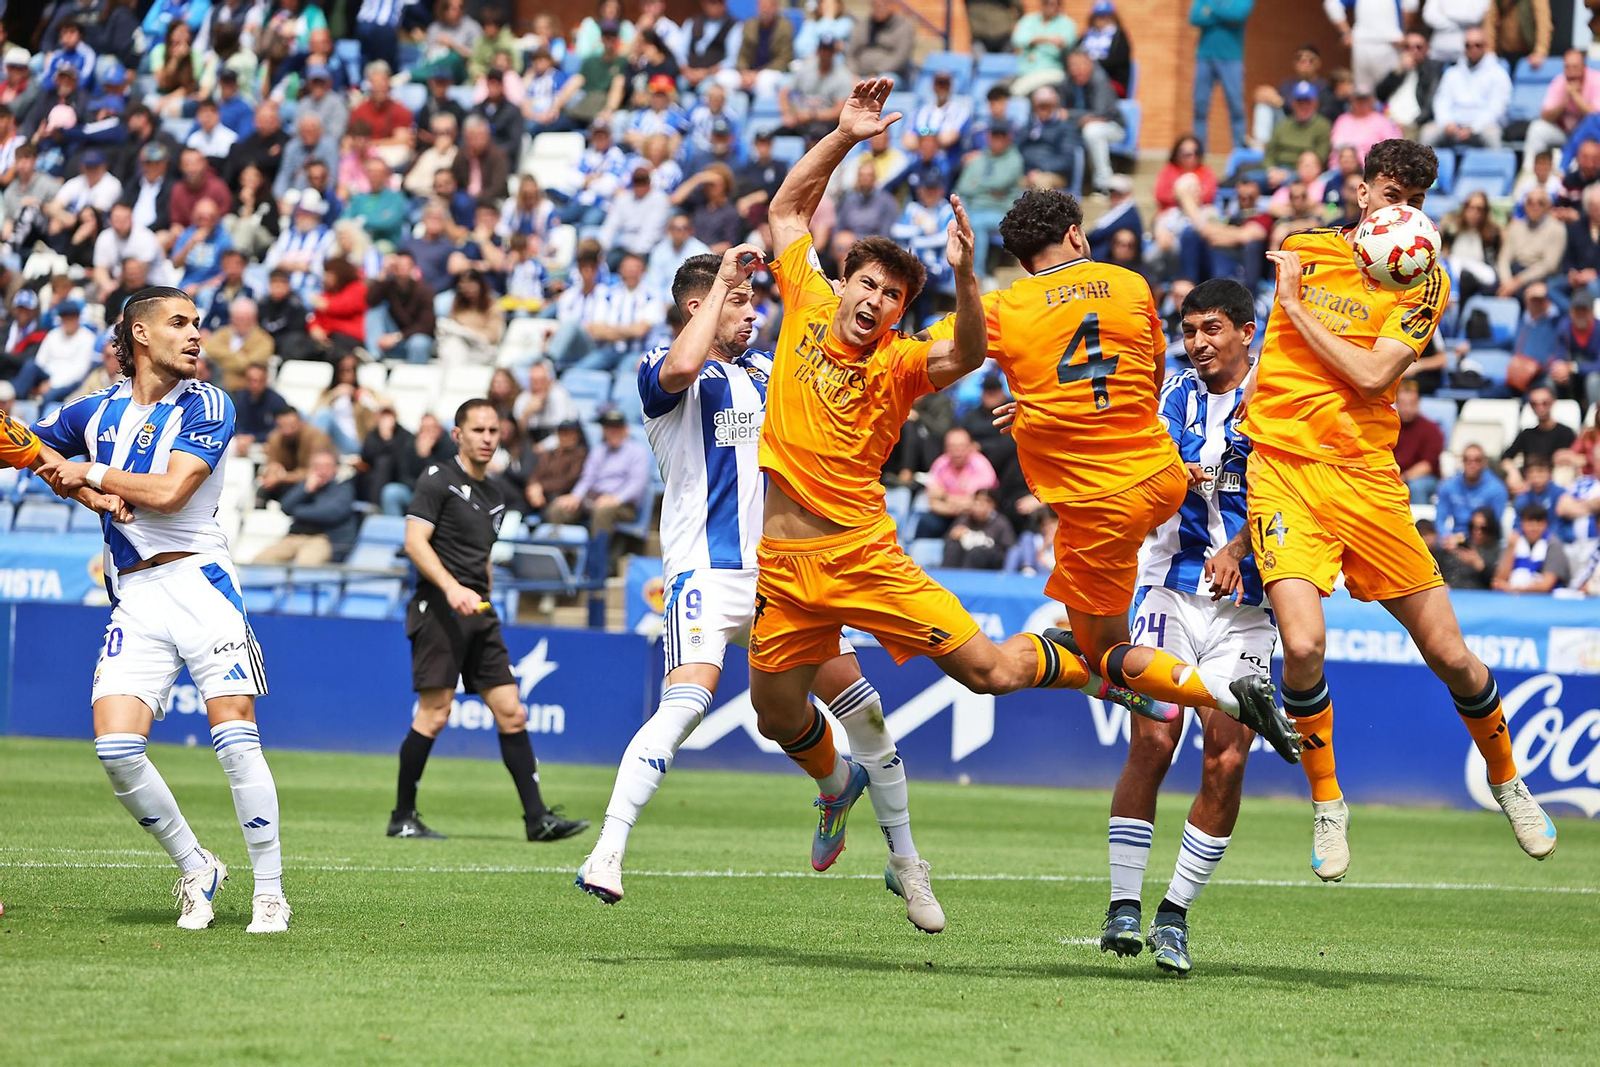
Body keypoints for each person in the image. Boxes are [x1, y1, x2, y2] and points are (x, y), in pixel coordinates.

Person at [748, 79, 1168, 873]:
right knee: (774, 712)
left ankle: (1094, 667)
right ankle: (837, 783)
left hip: (864, 557)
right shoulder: (805, 298)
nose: (876, 299)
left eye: (893, 295)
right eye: (868, 283)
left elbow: (970, 353)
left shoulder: (903, 363)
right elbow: (785, 213)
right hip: (783, 566)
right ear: (844, 283)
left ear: (902, 313)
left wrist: (967, 275)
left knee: (989, 674)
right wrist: (844, 136)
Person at [578, 250, 942, 930]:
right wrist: (723, 282)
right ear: (702, 306)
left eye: (753, 300)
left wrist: (843, 290)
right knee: (683, 709)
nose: (756, 311)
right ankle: (608, 849)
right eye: (743, 302)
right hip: (706, 573)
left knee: (864, 713)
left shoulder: (772, 370)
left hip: (789, 572)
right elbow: (683, 368)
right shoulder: (666, 367)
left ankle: (908, 864)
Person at [1240, 138, 1556, 882]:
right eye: (1385, 195)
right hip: (1283, 469)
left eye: (1407, 202)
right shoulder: (1303, 250)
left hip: (1369, 478)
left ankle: (1508, 780)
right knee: (1304, 644)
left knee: (1449, 653)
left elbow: (1375, 369)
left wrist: (1292, 308)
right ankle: (1327, 801)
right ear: (1364, 191)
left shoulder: (1423, 276)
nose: (1391, 209)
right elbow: (1279, 356)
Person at [920, 185, 1296, 756]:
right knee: (1092, 638)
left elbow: (920, 352)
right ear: (1075, 234)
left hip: (1102, 503)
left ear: (1022, 259)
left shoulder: (1007, 306)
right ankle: (1119, 669)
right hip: (1160, 475)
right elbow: (1144, 385)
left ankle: (1226, 691)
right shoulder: (1131, 284)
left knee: (1102, 656)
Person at [32, 287, 289, 934]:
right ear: (140, 335)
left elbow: (171, 493)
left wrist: (93, 475)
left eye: (198, 323)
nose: (196, 334)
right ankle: (197, 864)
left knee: (234, 738)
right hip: (135, 595)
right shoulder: (93, 409)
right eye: (180, 322)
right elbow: (37, 453)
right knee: (117, 748)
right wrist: (85, 491)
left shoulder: (208, 402)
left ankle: (270, 892)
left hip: (201, 584)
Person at [1093, 278, 1275, 977]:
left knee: (1227, 761)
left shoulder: (1279, 395)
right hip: (1168, 591)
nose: (1198, 342)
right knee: (1156, 734)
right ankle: (1123, 903)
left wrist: (1242, 548)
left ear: (1245, 331)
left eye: (1212, 329)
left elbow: (1291, 487)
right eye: (1190, 329)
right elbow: (1145, 454)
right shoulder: (1175, 393)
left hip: (1251, 607)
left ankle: (1174, 914)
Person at [389, 399, 588, 844]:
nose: (486, 438)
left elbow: (482, 557)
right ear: (457, 435)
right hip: (439, 609)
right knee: (435, 714)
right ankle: (402, 815)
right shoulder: (437, 479)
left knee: (513, 712)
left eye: (493, 431)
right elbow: (415, 542)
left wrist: (484, 593)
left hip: (479, 612)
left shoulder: (496, 494)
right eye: (477, 430)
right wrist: (451, 588)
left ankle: (537, 820)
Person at [544, 408, 651, 536]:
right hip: (593, 498)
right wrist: (575, 496)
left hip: (623, 505)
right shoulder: (599, 450)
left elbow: (637, 484)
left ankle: (597, 555)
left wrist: (616, 499)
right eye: (608, 428)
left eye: (616, 427)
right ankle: (564, 552)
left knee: (603, 510)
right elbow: (587, 478)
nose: (612, 432)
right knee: (559, 508)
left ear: (625, 430)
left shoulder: (637, 451)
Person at [253, 449, 357, 565]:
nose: (322, 470)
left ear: (335, 468)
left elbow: (329, 514)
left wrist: (297, 511)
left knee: (305, 566)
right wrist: (305, 490)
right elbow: (285, 507)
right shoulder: (305, 486)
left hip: (323, 539)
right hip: (293, 537)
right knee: (260, 561)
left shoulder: (342, 489)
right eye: (317, 466)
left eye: (327, 466)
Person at [1422, 27, 1512, 148]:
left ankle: (1497, 166)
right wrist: (1447, 123)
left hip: (1482, 126)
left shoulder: (1498, 73)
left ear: (1486, 46)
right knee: (1428, 132)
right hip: (1453, 125)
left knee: (1492, 135)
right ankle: (1424, 167)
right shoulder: (1452, 73)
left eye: (1477, 45)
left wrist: (1473, 128)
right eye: (1468, 45)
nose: (1473, 49)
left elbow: (1497, 108)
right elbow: (1441, 101)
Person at [1188, 0, 1253, 152]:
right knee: (1199, 105)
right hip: (1204, 57)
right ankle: (1200, 150)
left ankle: (1239, 149)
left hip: (1231, 58)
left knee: (1236, 105)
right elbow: (1194, 18)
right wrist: (1224, 16)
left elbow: (1238, 16)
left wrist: (1211, 11)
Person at [1493, 503, 1571, 591]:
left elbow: (1546, 585)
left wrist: (1513, 590)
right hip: (1513, 598)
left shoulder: (1553, 545)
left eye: (1538, 523)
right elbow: (1499, 580)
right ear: (1522, 523)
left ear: (1545, 524)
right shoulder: (1514, 541)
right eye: (1530, 523)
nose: (1534, 528)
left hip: (1545, 600)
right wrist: (1511, 548)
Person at [1437, 443, 1511, 533]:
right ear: (1462, 462)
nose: (1472, 464)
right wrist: (1446, 537)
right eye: (1467, 459)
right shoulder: (1448, 486)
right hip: (1454, 538)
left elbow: (1493, 525)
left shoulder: (1497, 489)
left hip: (1483, 538)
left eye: (1477, 460)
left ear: (1484, 462)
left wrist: (1466, 541)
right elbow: (1440, 519)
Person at [1394, 379, 1445, 502]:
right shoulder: (1387, 427)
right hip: (1393, 475)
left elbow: (1427, 465)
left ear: (1418, 403)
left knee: (1417, 487)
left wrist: (1403, 478)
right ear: (1396, 403)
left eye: (1411, 403)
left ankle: (1416, 520)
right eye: (1403, 403)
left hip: (1423, 478)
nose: (1407, 408)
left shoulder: (1431, 429)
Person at [941, 488, 1014, 569]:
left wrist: (983, 541)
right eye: (977, 501)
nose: (979, 505)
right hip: (964, 556)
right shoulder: (964, 518)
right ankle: (948, 574)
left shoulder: (1001, 522)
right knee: (953, 546)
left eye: (985, 502)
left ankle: (968, 578)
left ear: (992, 505)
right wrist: (954, 534)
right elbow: (948, 538)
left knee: (977, 551)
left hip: (989, 561)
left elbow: (1008, 549)